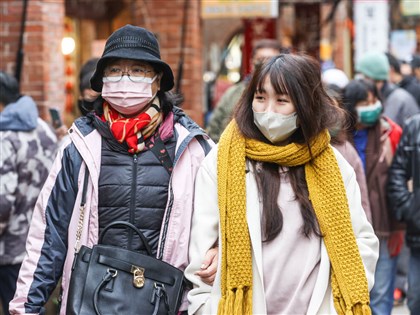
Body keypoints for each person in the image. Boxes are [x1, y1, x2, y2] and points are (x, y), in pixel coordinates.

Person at [10, 24, 216, 315]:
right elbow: (49, 233)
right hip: (89, 302)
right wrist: (25, 307)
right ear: (102, 81)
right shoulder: (79, 147)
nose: (125, 80)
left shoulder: (192, 148)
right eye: (115, 70)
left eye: (138, 70)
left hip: (168, 304)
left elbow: (221, 224)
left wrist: (218, 252)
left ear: (158, 81)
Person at [186, 54, 379, 314]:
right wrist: (205, 305)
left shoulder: (333, 165)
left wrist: (336, 305)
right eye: (260, 98)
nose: (268, 111)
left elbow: (361, 239)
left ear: (304, 106)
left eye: (282, 101)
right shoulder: (222, 162)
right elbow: (201, 254)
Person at [342, 79, 403, 315]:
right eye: (364, 102)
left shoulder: (390, 133)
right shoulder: (337, 140)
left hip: (384, 225)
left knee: (380, 293)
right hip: (350, 229)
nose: (372, 106)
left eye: (374, 100)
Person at [0, 71, 57, 315]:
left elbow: (2, 203)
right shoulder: (42, 126)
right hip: (40, 244)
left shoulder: (5, 136)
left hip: (9, 249)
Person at [206, 39, 284, 142]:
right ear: (252, 62)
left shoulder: (287, 95)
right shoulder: (232, 94)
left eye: (270, 60)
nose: (265, 64)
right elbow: (214, 128)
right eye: (260, 59)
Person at [388, 113, 420, 315]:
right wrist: (411, 209)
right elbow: (398, 173)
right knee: (416, 300)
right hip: (418, 234)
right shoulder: (415, 126)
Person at [355, 51, 419, 128]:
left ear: (371, 77)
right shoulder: (385, 95)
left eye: (363, 76)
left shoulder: (397, 99)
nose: (361, 81)